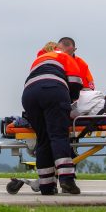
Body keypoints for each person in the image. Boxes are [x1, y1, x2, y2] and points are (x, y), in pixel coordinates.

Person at [21, 41, 83, 195]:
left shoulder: (38, 60)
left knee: (43, 139)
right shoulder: (65, 56)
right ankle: (67, 180)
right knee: (58, 135)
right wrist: (70, 102)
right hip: (53, 90)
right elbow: (75, 83)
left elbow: (35, 80)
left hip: (29, 95)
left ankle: (47, 186)